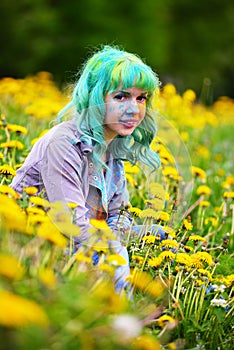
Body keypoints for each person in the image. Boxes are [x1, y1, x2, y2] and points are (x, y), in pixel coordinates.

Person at [10, 45, 161, 291]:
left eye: (141, 98)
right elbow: (70, 223)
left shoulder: (112, 149)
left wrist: (129, 234)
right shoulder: (63, 143)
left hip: (78, 251)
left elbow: (118, 214)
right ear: (95, 98)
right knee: (117, 255)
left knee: (158, 237)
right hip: (32, 254)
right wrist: (114, 247)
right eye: (121, 96)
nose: (134, 108)